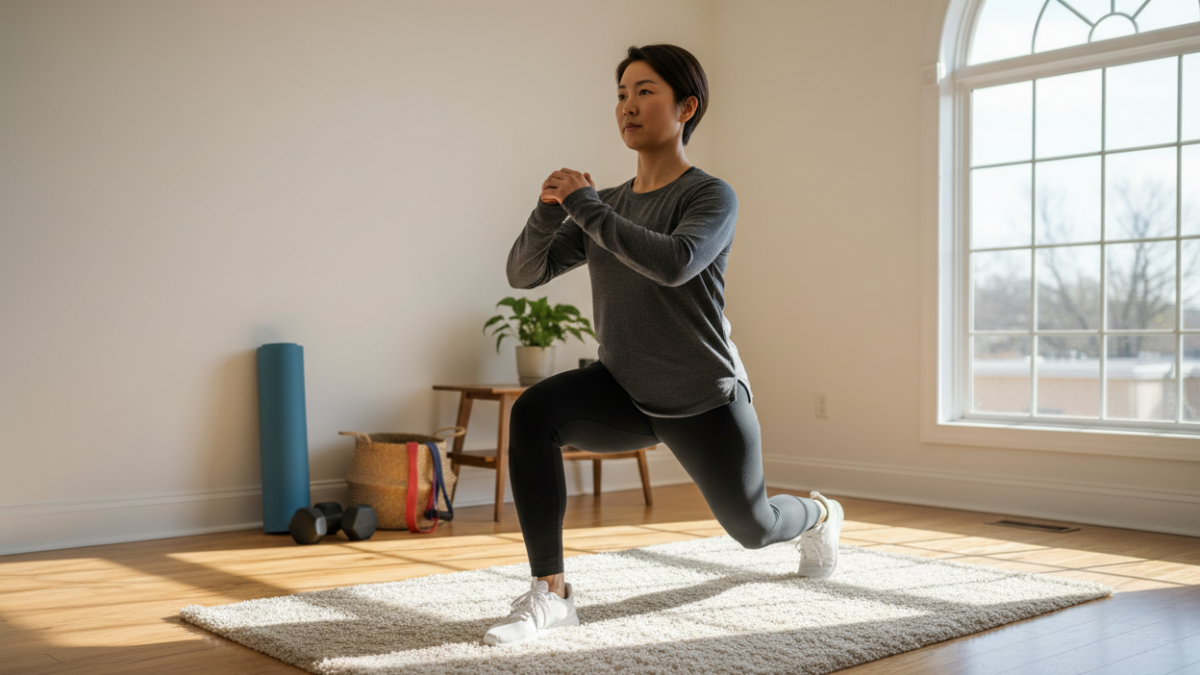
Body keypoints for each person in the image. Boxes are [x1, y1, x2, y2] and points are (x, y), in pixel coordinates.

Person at [482, 43, 844, 647]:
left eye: (645, 91)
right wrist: (549, 212)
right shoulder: (608, 206)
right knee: (533, 412)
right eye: (621, 94)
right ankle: (552, 593)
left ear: (686, 108)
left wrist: (585, 207)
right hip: (622, 387)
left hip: (702, 394)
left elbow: (675, 263)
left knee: (753, 529)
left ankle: (821, 515)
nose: (627, 105)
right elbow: (524, 274)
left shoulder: (710, 196)